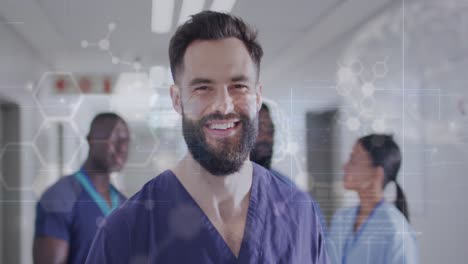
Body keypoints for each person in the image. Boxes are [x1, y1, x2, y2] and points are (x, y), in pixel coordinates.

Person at [85, 11, 328, 263]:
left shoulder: (300, 214)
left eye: (239, 86)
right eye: (203, 88)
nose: (223, 105)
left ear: (257, 97)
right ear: (177, 100)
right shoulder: (125, 232)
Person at [33, 113, 130, 264]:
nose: (122, 147)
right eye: (114, 138)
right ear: (91, 140)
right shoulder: (60, 198)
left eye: (126, 140)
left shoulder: (125, 205)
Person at [328, 134, 418, 264]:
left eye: (353, 160)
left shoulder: (396, 230)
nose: (345, 166)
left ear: (377, 173)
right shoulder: (341, 219)